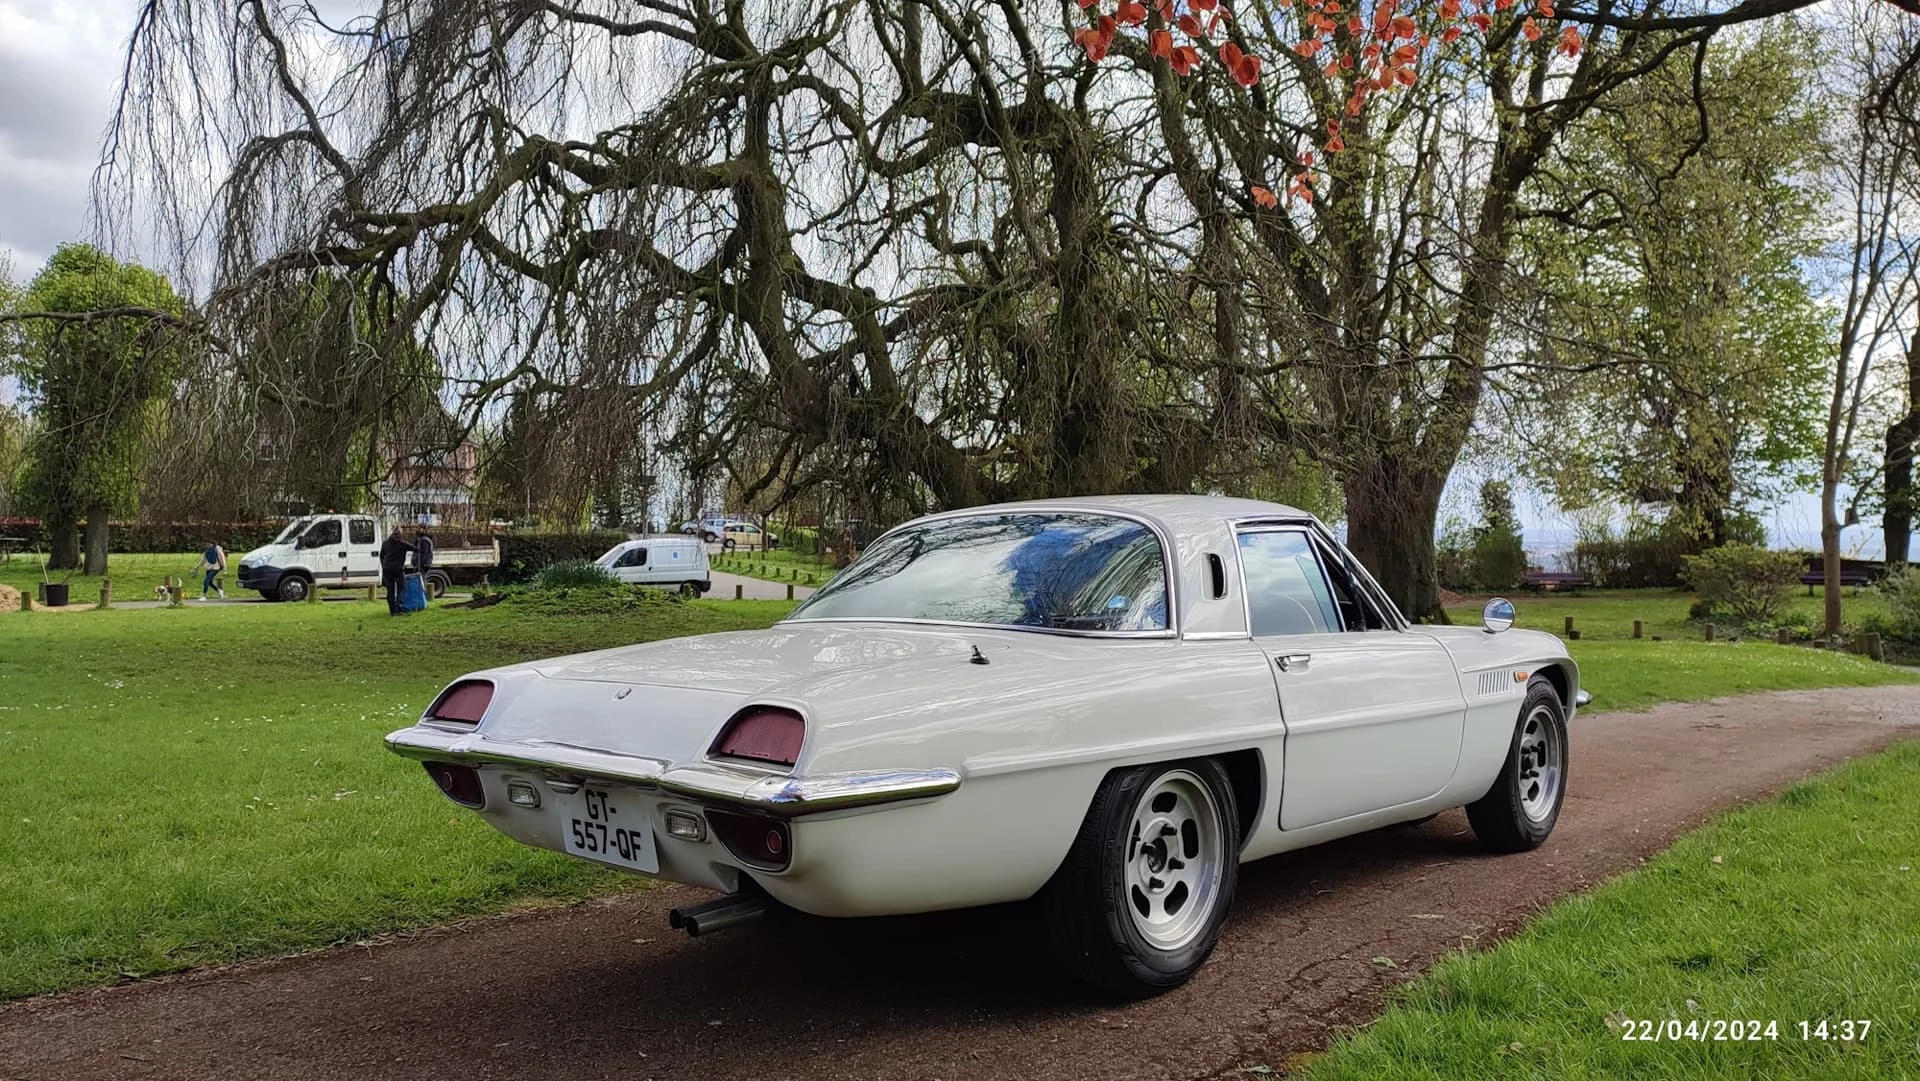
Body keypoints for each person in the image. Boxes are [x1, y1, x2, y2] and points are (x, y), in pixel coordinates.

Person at [379, 525, 413, 616]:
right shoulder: (403, 544)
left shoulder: (385, 543)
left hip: (387, 569)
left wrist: (383, 566)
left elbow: (381, 556)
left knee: (390, 590)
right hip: (398, 569)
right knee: (401, 588)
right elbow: (415, 548)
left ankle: (392, 610)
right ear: (400, 534)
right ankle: (398, 609)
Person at [412, 523, 435, 607]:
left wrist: (418, 564)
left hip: (422, 565)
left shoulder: (424, 540)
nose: (417, 530)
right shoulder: (422, 539)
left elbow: (422, 554)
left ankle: (423, 598)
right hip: (423, 564)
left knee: (422, 581)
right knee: (422, 580)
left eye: (419, 528)